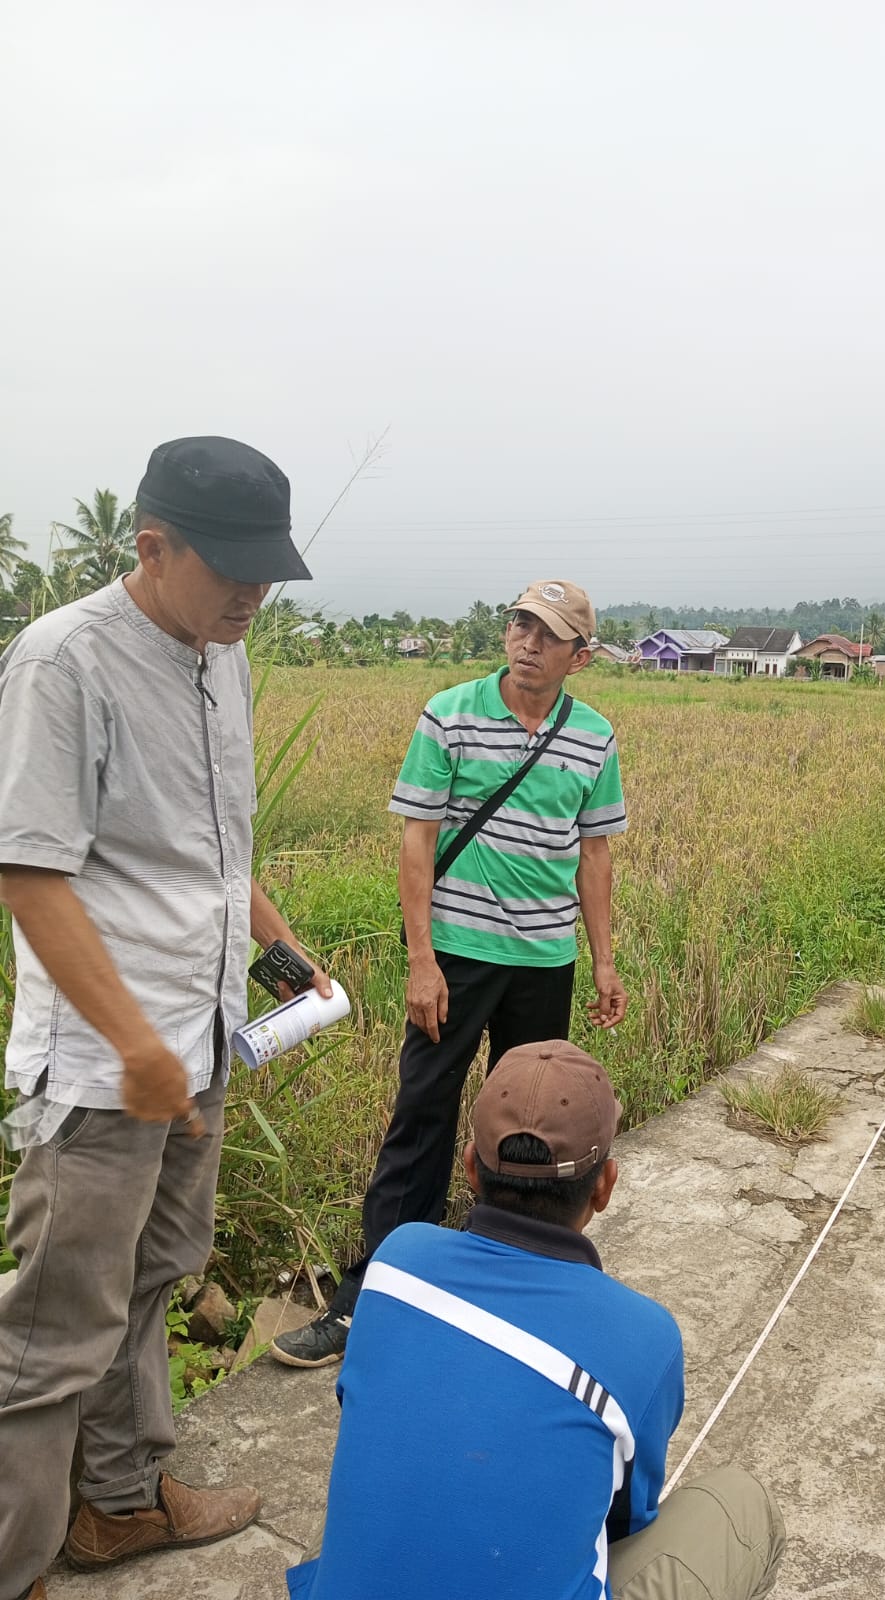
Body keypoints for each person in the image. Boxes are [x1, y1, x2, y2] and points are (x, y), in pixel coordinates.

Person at [0, 437, 332, 1600]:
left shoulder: (217, 655)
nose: (254, 594)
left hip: (196, 1041)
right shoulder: (65, 661)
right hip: (106, 1067)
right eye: (232, 569)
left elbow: (212, 850)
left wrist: (281, 947)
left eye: (269, 573)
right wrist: (137, 1047)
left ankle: (122, 1503)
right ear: (152, 546)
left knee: (157, 1274)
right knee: (53, 1333)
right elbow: (30, 875)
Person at [272, 580, 629, 1368]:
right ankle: (372, 1298)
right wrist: (421, 960)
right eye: (520, 624)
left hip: (545, 960)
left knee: (536, 1130)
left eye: (549, 632)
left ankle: (514, 1290)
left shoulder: (593, 737)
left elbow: (595, 855)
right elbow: (417, 843)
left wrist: (603, 961)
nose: (527, 641)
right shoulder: (451, 712)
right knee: (423, 1115)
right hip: (458, 959)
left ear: (580, 654)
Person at [287, 1039, 786, 1600]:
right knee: (745, 1505)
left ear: (471, 1168)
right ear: (605, 1185)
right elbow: (624, 1522)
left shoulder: (396, 1261)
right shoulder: (644, 1336)